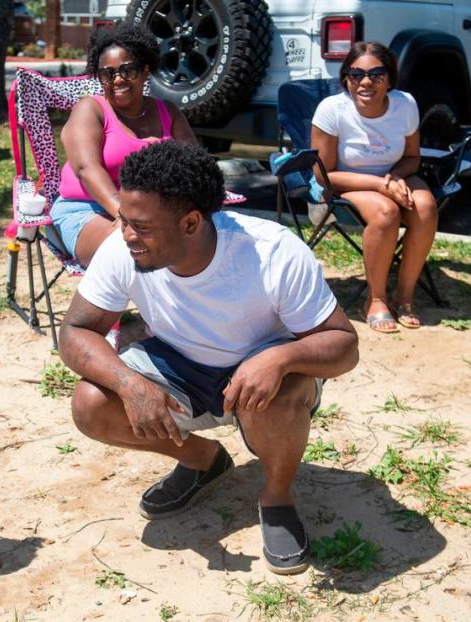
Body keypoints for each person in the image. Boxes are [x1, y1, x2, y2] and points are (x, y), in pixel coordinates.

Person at [59, 141, 359, 575]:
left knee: (280, 392)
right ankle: (204, 461)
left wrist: (281, 358)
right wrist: (129, 383)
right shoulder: (123, 248)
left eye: (140, 226)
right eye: (124, 219)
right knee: (91, 405)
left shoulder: (271, 251)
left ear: (190, 222)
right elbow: (76, 330)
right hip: (177, 363)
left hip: (261, 372)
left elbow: (344, 344)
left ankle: (276, 496)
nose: (126, 234)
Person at [311, 41, 438, 332]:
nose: (365, 82)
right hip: (346, 179)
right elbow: (323, 175)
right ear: (346, 78)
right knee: (385, 212)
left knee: (426, 207)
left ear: (390, 78)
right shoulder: (332, 109)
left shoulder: (405, 104)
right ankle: (376, 298)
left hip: (394, 175)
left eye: (377, 74)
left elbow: (412, 157)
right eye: (356, 75)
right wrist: (382, 186)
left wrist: (394, 178)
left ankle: (404, 295)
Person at [52, 23, 196, 268]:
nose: (117, 79)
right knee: (132, 253)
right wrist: (126, 214)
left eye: (127, 70)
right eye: (107, 73)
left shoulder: (167, 112)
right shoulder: (90, 109)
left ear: (145, 70)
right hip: (87, 209)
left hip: (153, 212)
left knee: (208, 240)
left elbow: (193, 166)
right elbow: (87, 169)